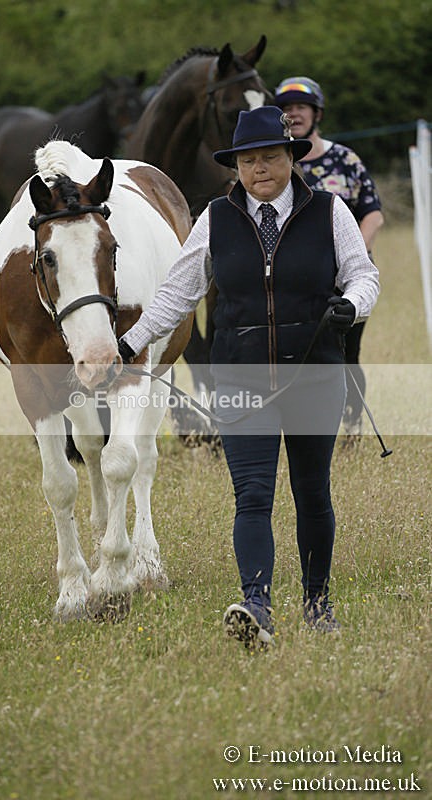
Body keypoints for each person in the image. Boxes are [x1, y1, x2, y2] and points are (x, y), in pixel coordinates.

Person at [117, 106, 379, 649]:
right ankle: (256, 604)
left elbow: (363, 275)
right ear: (235, 166)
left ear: (290, 159)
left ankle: (317, 601)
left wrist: (350, 306)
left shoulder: (331, 212)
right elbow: (177, 294)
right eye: (248, 160)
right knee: (252, 495)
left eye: (270, 157)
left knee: (312, 493)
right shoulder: (214, 218)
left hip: (314, 373)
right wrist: (128, 344)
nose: (260, 168)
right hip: (241, 376)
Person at [274, 77, 384, 440]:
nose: (294, 114)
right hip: (293, 279)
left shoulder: (345, 159)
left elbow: (372, 212)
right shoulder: (273, 164)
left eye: (300, 107)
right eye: (286, 108)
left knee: (347, 354)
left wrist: (353, 252)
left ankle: (351, 426)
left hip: (344, 276)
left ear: (316, 113)